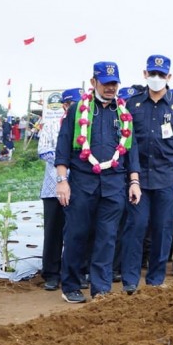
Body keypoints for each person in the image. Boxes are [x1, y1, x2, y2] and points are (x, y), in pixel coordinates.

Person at [55, 62, 142, 303]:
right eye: (105, 83)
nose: (110, 88)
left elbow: (131, 150)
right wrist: (62, 180)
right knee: (76, 233)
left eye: (114, 83)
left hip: (114, 185)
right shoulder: (78, 110)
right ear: (94, 82)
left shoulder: (123, 114)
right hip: (82, 183)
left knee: (107, 237)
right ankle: (71, 284)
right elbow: (62, 147)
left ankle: (101, 289)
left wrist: (134, 181)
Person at [119, 55, 173, 291]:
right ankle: (130, 282)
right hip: (138, 179)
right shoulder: (132, 104)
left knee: (163, 230)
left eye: (161, 74)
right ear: (145, 74)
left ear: (169, 77)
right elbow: (126, 142)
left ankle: (155, 281)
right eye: (152, 73)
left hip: (169, 177)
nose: (156, 78)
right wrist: (131, 176)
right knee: (135, 228)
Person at [37, 88, 81, 291]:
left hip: (79, 186)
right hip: (54, 187)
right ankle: (52, 274)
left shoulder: (85, 125)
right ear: (65, 105)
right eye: (74, 104)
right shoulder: (52, 125)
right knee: (54, 232)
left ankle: (74, 271)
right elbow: (44, 151)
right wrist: (67, 163)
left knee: (77, 230)